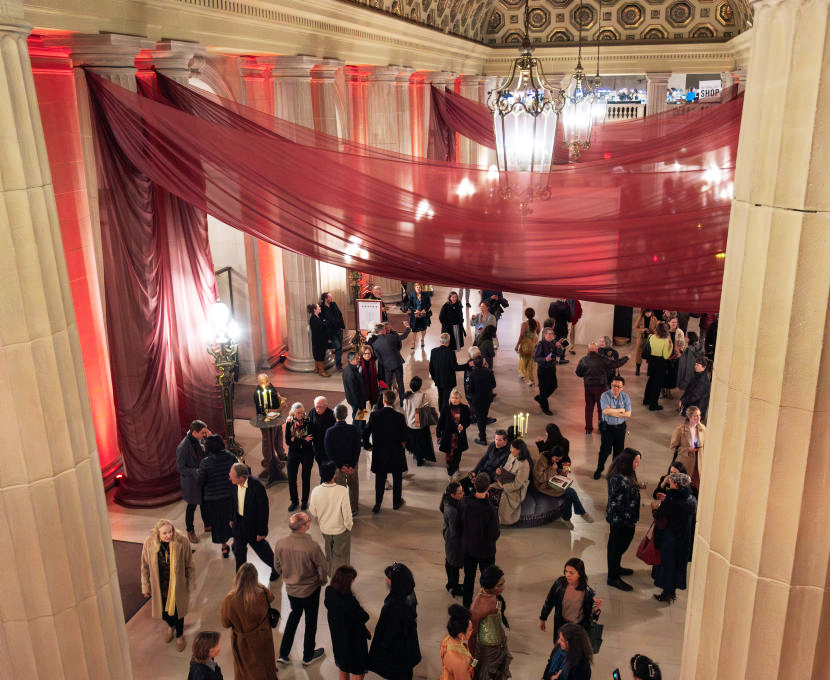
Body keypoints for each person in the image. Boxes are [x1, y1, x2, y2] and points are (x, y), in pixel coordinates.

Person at [274, 512, 327, 666]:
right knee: (311, 621)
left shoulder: (280, 543)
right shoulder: (312, 546)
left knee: (294, 616)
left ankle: (284, 653)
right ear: (303, 527)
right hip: (310, 590)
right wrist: (321, 582)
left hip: (291, 590)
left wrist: (288, 575)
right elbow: (322, 568)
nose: (309, 522)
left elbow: (277, 567)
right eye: (308, 521)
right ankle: (308, 655)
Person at [140, 519, 195, 652]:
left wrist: (191, 583)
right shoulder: (149, 544)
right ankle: (171, 625)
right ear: (157, 533)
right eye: (164, 533)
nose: (168, 535)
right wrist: (145, 587)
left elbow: (189, 564)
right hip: (160, 588)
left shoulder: (182, 541)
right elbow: (144, 567)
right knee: (164, 613)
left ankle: (180, 635)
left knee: (179, 612)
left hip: (177, 586)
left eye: (170, 531)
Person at [220, 563, 277, 680]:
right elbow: (271, 598)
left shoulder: (230, 599)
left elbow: (225, 623)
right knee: (266, 662)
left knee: (248, 670)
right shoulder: (262, 591)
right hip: (264, 635)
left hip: (244, 642)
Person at [368, 563, 421, 680]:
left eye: (389, 579)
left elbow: (389, 634)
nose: (387, 581)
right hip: (407, 648)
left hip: (397, 654)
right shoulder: (408, 594)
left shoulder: (394, 607)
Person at [651, 473, 697, 602]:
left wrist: (655, 509)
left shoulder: (671, 500)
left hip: (670, 537)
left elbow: (660, 515)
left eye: (671, 483)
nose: (670, 484)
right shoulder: (691, 499)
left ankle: (666, 593)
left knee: (667, 565)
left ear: (676, 485)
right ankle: (672, 592)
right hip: (683, 538)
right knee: (677, 565)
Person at [457, 472, 500, 608]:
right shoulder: (491, 510)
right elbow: (494, 535)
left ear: (474, 485)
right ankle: (485, 608)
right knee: (487, 581)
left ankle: (466, 606)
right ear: (488, 487)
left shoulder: (464, 502)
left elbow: (458, 524)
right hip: (486, 552)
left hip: (469, 548)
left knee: (468, 578)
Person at [228, 463, 279, 580]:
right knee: (239, 551)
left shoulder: (257, 487)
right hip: (239, 524)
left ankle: (276, 568)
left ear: (241, 478)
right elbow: (234, 502)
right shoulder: (234, 484)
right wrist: (232, 518)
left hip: (253, 526)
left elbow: (263, 511)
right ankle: (241, 577)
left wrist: (262, 532)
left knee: (262, 551)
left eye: (232, 476)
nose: (229, 477)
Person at [362, 389, 408, 513]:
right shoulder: (399, 417)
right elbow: (405, 435)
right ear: (394, 401)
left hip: (380, 452)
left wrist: (368, 445)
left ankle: (378, 502)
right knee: (397, 478)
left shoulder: (374, 415)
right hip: (396, 452)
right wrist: (404, 443)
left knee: (380, 478)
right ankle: (396, 502)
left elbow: (365, 433)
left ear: (383, 400)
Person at [325, 566, 371, 680]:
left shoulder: (329, 591)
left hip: (338, 639)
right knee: (358, 669)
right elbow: (364, 616)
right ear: (347, 582)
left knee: (343, 666)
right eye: (352, 580)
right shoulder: (349, 602)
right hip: (354, 641)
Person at [605, 448, 642, 591]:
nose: (637, 464)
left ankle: (616, 568)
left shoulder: (628, 472)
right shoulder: (617, 478)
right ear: (628, 461)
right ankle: (612, 577)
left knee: (621, 544)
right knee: (616, 546)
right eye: (636, 461)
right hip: (620, 519)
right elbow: (617, 502)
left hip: (628, 517)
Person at [539, 558, 601, 641]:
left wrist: (596, 610)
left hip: (578, 628)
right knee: (559, 648)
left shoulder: (587, 593)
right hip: (561, 625)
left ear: (580, 574)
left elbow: (590, 617)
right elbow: (549, 601)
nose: (567, 575)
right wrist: (543, 618)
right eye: (566, 571)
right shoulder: (559, 583)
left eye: (571, 573)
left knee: (574, 651)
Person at [308, 462, 353, 576]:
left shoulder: (316, 491)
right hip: (341, 530)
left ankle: (330, 573)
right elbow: (347, 512)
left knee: (329, 552)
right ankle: (341, 577)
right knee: (342, 555)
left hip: (325, 529)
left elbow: (313, 511)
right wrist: (349, 526)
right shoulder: (342, 490)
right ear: (334, 475)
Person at [533, 444, 592, 528]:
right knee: (570, 492)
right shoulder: (542, 460)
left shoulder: (556, 458)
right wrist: (552, 469)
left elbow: (559, 468)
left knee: (569, 494)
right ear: (552, 455)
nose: (557, 461)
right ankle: (580, 513)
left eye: (559, 459)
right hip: (543, 486)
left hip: (552, 481)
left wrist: (562, 472)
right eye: (556, 459)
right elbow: (539, 478)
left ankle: (569, 517)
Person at [197, 434, 237, 558]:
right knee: (233, 521)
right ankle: (236, 543)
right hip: (230, 496)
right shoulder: (231, 457)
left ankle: (224, 547)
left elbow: (200, 482)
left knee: (218, 524)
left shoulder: (205, 463)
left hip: (214, 499)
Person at [469, 565, 512, 679]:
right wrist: (472, 663)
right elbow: (472, 636)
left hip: (500, 646)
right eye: (500, 585)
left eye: (503, 583)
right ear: (489, 585)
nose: (503, 587)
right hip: (487, 652)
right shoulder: (477, 607)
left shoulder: (494, 594)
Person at [576, 342, 628, 434]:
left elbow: (578, 373)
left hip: (588, 387)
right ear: (596, 350)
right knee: (601, 408)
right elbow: (616, 364)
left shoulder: (583, 360)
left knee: (589, 408)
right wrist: (626, 358)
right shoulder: (603, 359)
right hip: (601, 387)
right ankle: (602, 427)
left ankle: (588, 429)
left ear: (588, 350)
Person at [176, 420, 210, 543]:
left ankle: (208, 525)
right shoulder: (183, 447)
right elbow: (181, 468)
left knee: (205, 503)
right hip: (191, 483)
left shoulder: (199, 440)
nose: (204, 435)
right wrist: (195, 471)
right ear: (195, 432)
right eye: (203, 433)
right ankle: (190, 531)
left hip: (201, 479)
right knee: (191, 507)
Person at [325, 403, 362, 515]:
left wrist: (341, 466)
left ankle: (342, 509)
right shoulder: (353, 429)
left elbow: (329, 452)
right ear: (346, 415)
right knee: (354, 486)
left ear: (334, 415)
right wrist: (352, 465)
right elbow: (357, 449)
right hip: (352, 465)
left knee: (340, 489)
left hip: (337, 466)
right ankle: (354, 508)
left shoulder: (330, 431)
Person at [593, 376, 632, 479]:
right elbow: (605, 411)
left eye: (619, 387)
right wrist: (621, 411)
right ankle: (599, 469)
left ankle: (614, 472)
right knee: (605, 451)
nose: (616, 388)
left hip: (621, 428)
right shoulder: (605, 396)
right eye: (614, 386)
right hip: (608, 428)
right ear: (611, 385)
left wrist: (613, 412)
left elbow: (628, 414)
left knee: (619, 452)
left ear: (623, 387)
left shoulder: (625, 397)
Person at [369, 320, 411, 404]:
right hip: (397, 363)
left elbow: (379, 358)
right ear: (382, 330)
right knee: (400, 381)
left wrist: (385, 364)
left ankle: (388, 401)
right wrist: (407, 327)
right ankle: (402, 400)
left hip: (386, 366)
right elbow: (403, 336)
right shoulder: (391, 337)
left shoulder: (375, 344)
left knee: (388, 383)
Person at [285, 402, 316, 511]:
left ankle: (304, 501)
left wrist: (296, 440)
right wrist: (303, 439)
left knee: (305, 478)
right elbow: (288, 441)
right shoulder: (289, 422)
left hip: (307, 453)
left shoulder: (308, 421)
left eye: (302, 412)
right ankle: (294, 501)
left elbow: (310, 440)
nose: (301, 415)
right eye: (298, 413)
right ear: (293, 413)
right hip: (293, 453)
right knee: (291, 478)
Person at [437, 388, 472, 480]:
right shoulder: (446, 408)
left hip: (459, 437)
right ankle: (450, 474)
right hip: (448, 436)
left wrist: (463, 426)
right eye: (452, 398)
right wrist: (438, 434)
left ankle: (456, 468)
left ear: (460, 398)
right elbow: (440, 422)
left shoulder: (465, 408)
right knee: (449, 456)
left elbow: (468, 421)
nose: (454, 400)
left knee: (457, 455)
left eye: (456, 398)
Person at [496, 437, 531, 526]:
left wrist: (503, 487)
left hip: (515, 489)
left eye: (512, 448)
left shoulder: (524, 465)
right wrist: (500, 471)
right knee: (489, 490)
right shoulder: (511, 455)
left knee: (501, 499)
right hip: (505, 481)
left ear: (519, 450)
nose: (510, 450)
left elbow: (517, 485)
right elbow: (506, 469)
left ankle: (498, 521)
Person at [669, 405, 706, 488]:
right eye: (696, 416)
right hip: (685, 461)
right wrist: (687, 449)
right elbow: (673, 446)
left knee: (697, 484)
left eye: (699, 415)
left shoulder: (702, 429)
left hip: (698, 461)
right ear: (689, 416)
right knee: (683, 484)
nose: (698, 418)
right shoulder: (680, 430)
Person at [402, 375, 436, 466]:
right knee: (422, 442)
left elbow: (404, 411)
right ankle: (421, 457)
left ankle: (416, 456)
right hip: (420, 423)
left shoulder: (406, 397)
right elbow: (427, 408)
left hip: (410, 424)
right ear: (420, 386)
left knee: (414, 442)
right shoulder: (423, 395)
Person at [430, 332, 466, 411]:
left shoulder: (433, 351)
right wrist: (467, 366)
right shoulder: (450, 352)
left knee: (441, 397)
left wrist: (434, 378)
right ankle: (444, 416)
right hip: (448, 381)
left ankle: (441, 413)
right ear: (448, 342)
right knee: (446, 399)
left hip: (438, 379)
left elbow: (431, 367)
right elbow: (456, 367)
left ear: (440, 341)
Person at [440, 481, 465, 598]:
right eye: (460, 493)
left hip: (449, 539)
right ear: (453, 495)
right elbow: (456, 531)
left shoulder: (448, 503)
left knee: (449, 562)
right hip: (454, 541)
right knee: (454, 565)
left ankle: (450, 584)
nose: (463, 494)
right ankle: (454, 588)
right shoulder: (453, 510)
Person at [440, 604, 475, 680]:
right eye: (470, 630)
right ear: (461, 635)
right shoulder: (459, 662)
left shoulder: (447, 638)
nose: (472, 631)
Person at [643, 321, 672, 411]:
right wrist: (670, 347)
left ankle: (646, 400)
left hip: (652, 362)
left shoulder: (651, 337)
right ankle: (653, 405)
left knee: (650, 380)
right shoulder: (666, 341)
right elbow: (666, 356)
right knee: (657, 384)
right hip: (661, 363)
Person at [469, 355, 496, 446]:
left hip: (477, 400)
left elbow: (471, 389)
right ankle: (482, 435)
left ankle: (482, 438)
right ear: (483, 363)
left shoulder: (473, 374)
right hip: (487, 398)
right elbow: (494, 385)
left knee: (480, 419)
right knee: (483, 416)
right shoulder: (489, 372)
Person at [534, 327, 561, 416]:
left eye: (552, 334)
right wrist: (545, 359)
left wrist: (558, 347)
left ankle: (541, 398)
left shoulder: (554, 343)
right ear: (544, 335)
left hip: (552, 368)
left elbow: (558, 354)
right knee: (543, 388)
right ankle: (545, 408)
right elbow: (535, 358)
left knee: (554, 385)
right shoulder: (540, 344)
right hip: (543, 369)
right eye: (549, 334)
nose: (551, 336)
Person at [342, 350, 368, 432]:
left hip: (355, 398)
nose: (359, 359)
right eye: (357, 359)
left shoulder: (348, 369)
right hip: (357, 400)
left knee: (361, 415)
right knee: (357, 418)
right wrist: (359, 404)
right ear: (351, 360)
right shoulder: (351, 373)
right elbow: (354, 391)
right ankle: (356, 432)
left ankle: (363, 428)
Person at [680, 356, 711, 421]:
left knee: (692, 428)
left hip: (696, 410)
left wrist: (684, 401)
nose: (695, 366)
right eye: (695, 364)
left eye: (697, 365)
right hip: (693, 408)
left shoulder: (702, 381)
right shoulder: (697, 376)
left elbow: (695, 396)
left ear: (704, 367)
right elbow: (688, 390)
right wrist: (682, 399)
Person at [320, 291, 346, 371]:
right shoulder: (322, 308)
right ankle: (326, 346)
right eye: (330, 297)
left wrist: (342, 326)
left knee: (339, 348)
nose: (331, 298)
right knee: (337, 346)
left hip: (339, 329)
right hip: (332, 332)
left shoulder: (334, 304)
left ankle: (338, 365)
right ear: (325, 299)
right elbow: (323, 321)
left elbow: (340, 314)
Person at [515, 307, 540, 386]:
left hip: (526, 344)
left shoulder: (524, 324)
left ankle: (528, 378)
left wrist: (517, 345)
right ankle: (527, 376)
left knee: (524, 360)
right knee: (530, 361)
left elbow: (521, 335)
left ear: (526, 315)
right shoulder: (537, 322)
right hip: (534, 342)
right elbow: (538, 331)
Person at [309, 395, 336, 469]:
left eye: (320, 407)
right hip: (317, 446)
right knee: (320, 465)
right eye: (316, 406)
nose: (317, 409)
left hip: (327, 446)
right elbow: (309, 425)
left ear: (326, 406)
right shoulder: (312, 412)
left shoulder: (331, 415)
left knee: (327, 467)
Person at [308, 303, 331, 377]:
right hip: (319, 341)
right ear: (315, 310)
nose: (320, 307)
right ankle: (321, 371)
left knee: (318, 354)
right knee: (320, 355)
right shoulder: (314, 319)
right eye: (318, 307)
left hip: (319, 340)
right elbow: (320, 331)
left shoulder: (317, 317)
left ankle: (317, 369)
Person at [664, 317, 687, 393]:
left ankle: (669, 390)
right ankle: (663, 389)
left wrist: (680, 351)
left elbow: (683, 344)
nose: (674, 324)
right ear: (668, 322)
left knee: (672, 374)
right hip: (666, 355)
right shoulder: (665, 331)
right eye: (672, 322)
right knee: (665, 373)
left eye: (675, 322)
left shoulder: (680, 332)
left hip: (675, 356)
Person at [634, 309, 659, 376]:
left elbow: (657, 329)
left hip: (650, 339)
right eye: (646, 312)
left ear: (651, 312)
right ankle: (638, 369)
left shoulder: (654, 319)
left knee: (650, 355)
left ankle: (649, 370)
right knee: (638, 354)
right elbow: (635, 328)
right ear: (644, 313)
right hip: (641, 339)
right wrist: (643, 330)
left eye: (649, 312)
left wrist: (652, 331)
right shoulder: (640, 318)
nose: (648, 314)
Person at [407, 282, 431, 349]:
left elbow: (429, 304)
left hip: (423, 315)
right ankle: (413, 342)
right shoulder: (412, 295)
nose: (418, 288)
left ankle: (422, 339)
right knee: (414, 329)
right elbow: (409, 305)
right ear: (415, 288)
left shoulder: (426, 295)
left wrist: (425, 310)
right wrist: (415, 310)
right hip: (415, 315)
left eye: (419, 287)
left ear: (421, 288)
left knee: (423, 328)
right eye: (417, 287)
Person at [358, 343, 380, 409]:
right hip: (364, 390)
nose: (367, 355)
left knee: (374, 406)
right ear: (362, 354)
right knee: (364, 410)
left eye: (369, 353)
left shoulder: (375, 362)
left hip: (374, 388)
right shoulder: (359, 364)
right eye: (365, 353)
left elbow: (379, 375)